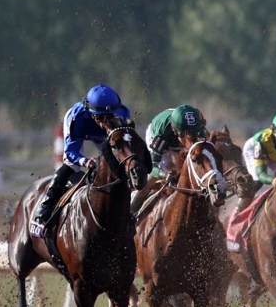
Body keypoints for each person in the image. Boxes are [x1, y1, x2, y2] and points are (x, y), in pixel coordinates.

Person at [30, 84, 131, 236]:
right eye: (105, 118)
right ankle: (44, 209)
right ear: (93, 115)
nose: (110, 121)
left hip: (105, 139)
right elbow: (70, 153)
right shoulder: (77, 118)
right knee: (72, 166)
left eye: (113, 116)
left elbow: (128, 146)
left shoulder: (122, 114)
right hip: (82, 131)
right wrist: (85, 161)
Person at [146, 104, 209, 179]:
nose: (190, 138)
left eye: (193, 133)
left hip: (174, 135)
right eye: (184, 135)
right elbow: (152, 165)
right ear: (175, 130)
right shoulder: (162, 133)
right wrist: (164, 175)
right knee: (165, 168)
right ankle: (143, 190)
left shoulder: (198, 127)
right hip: (163, 140)